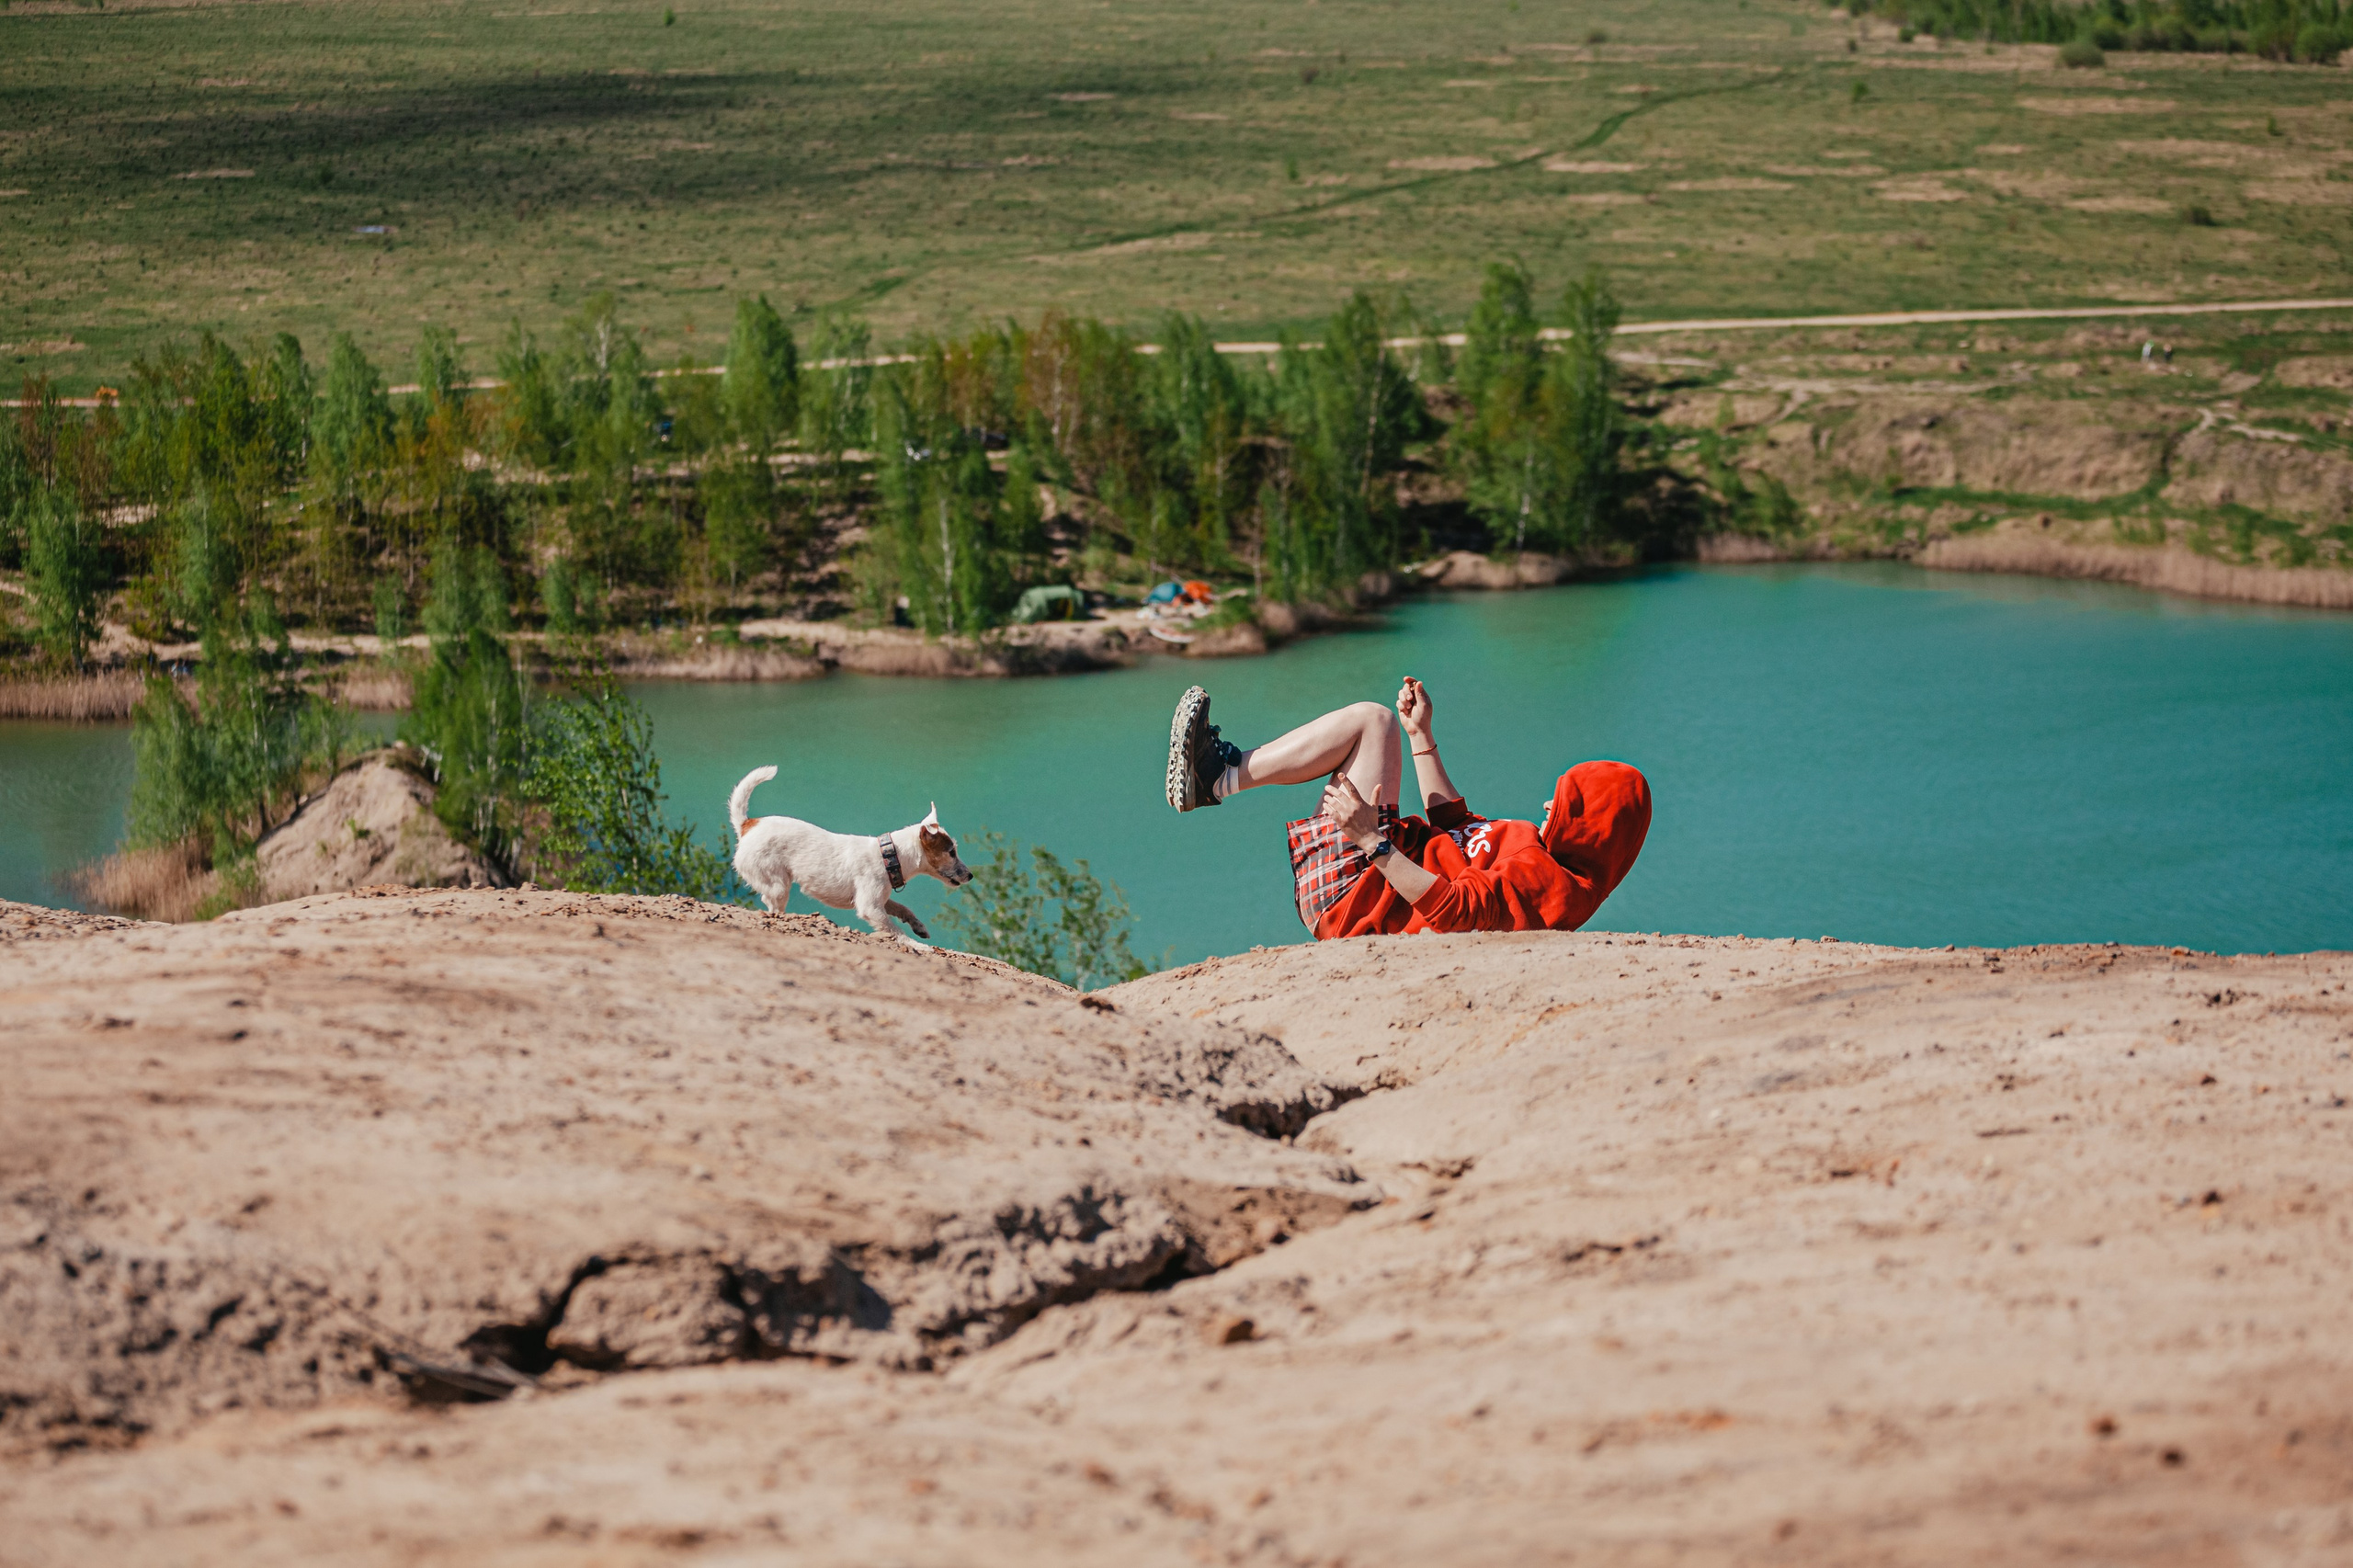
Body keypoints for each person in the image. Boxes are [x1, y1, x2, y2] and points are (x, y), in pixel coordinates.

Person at [1165, 679, 1651, 940]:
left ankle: (1218, 777)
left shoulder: (1554, 885)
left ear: (1596, 826)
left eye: (1568, 802)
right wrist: (1422, 736)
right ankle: (1218, 778)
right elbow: (1457, 828)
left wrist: (1369, 839)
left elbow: (1455, 911)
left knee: (1370, 721)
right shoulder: (1538, 851)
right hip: (1375, 868)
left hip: (1359, 895)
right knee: (1380, 723)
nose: (1550, 803)